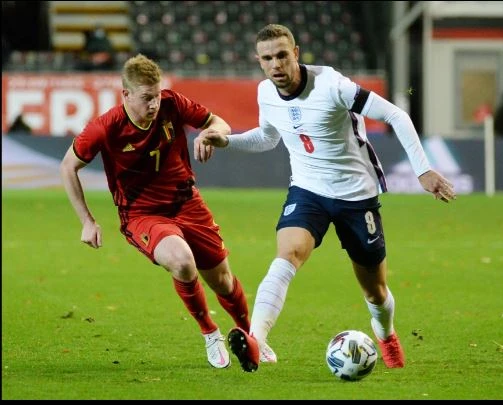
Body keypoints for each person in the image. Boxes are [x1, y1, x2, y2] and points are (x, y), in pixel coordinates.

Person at [194, 24, 457, 372]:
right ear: (259, 62)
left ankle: (387, 335)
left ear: (296, 53)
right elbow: (268, 138)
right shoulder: (265, 93)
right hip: (307, 191)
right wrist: (228, 141)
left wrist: (423, 169)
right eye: (268, 58)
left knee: (375, 291)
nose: (276, 65)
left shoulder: (333, 86)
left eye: (282, 55)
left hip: (356, 197)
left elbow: (396, 114)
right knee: (287, 255)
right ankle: (256, 340)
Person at [60, 53, 274, 369]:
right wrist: (87, 221)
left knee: (224, 282)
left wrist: (210, 134)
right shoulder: (106, 128)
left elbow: (218, 122)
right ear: (126, 95)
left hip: (188, 203)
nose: (154, 104)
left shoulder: (172, 103)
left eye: (157, 95)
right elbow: (68, 166)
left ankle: (251, 335)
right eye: (147, 98)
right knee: (182, 261)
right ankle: (210, 333)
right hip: (143, 215)